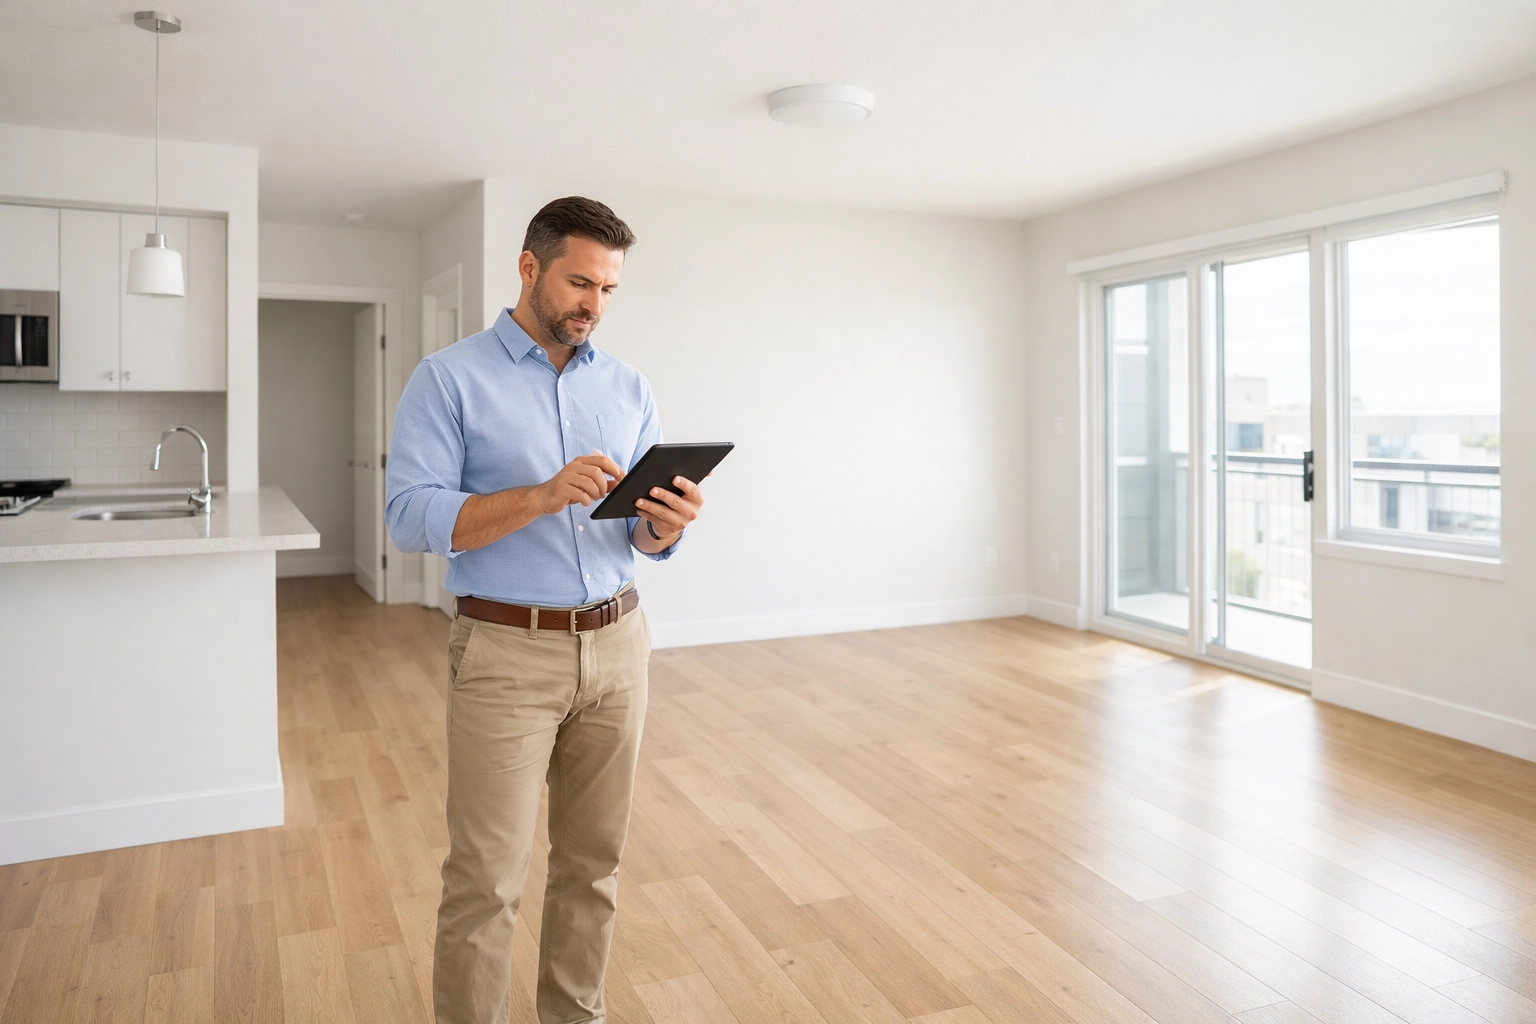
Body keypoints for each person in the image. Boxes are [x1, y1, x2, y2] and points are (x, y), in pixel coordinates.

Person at [385, 196, 705, 1024]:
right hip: (504, 653)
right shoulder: (448, 378)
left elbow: (638, 533)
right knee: (487, 881)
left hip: (619, 643)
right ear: (529, 269)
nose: (592, 305)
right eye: (578, 282)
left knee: (593, 866)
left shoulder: (629, 387)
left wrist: (662, 528)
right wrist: (535, 497)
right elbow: (409, 513)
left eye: (606, 289)